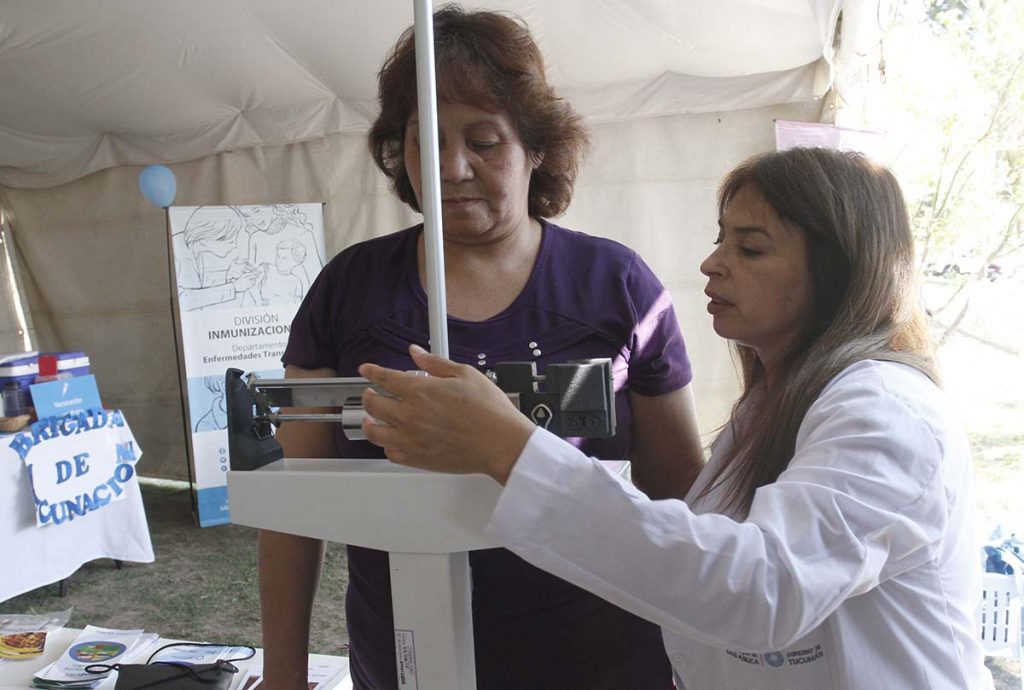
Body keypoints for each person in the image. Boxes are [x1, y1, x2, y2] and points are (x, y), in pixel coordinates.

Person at [358, 147, 994, 689]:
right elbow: (699, 560)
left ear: (837, 271)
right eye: (721, 239)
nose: (712, 264)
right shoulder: (773, 405)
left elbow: (759, 590)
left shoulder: (886, 413)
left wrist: (512, 449)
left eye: (750, 248)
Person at [258, 6, 705, 690]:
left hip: (600, 660)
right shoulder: (349, 287)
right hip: (406, 659)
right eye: (426, 142)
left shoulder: (615, 285)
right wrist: (283, 674)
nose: (452, 167)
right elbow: (295, 503)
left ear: (537, 147)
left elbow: (680, 491)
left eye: (485, 140)